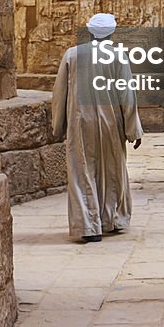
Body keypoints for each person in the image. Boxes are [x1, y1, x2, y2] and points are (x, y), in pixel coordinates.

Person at [52, 13, 143, 243]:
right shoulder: (119, 57)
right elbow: (127, 96)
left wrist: (58, 126)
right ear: (112, 33)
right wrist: (133, 130)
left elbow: (59, 93)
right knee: (111, 172)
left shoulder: (72, 55)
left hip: (81, 122)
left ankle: (88, 226)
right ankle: (110, 219)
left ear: (90, 32)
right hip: (112, 123)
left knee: (82, 172)